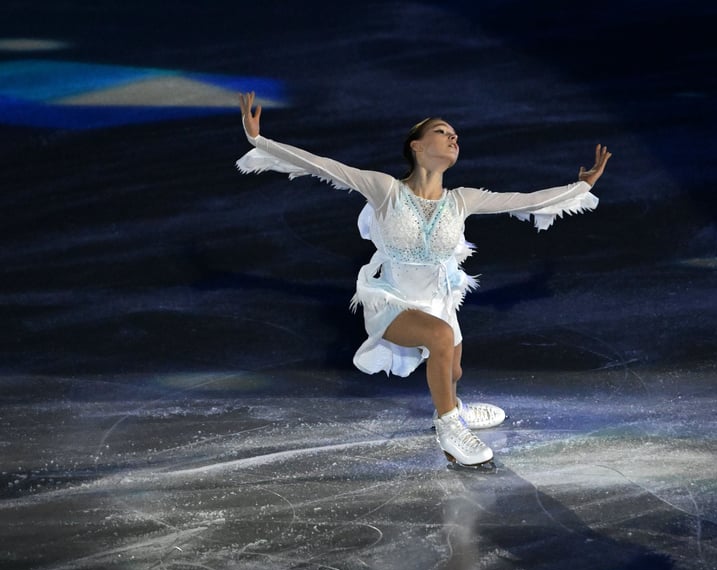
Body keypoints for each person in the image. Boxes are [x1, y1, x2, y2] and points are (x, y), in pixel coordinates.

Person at [236, 92, 611, 468]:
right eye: (442, 131)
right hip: (393, 301)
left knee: (453, 369)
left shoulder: (461, 199)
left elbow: (523, 201)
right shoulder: (386, 190)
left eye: (455, 136)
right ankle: (450, 430)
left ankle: (453, 408)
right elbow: (325, 166)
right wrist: (259, 140)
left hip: (440, 301)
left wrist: (580, 187)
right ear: (416, 145)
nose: (453, 138)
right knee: (440, 338)